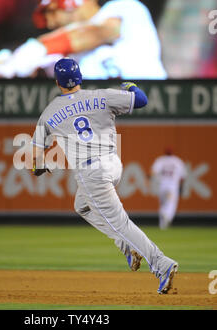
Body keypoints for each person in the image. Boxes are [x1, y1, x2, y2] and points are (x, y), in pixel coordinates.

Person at [31, 57, 178, 294]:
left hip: (92, 173)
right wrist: (130, 87)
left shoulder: (50, 112)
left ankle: (162, 264)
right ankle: (128, 248)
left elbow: (34, 158)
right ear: (79, 77)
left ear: (58, 83)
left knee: (120, 223)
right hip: (113, 163)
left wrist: (39, 166)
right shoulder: (101, 95)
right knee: (82, 205)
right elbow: (141, 100)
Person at [0, 0, 167, 80]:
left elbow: (96, 33)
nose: (50, 21)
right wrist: (14, 62)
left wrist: (38, 49)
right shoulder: (56, 51)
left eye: (51, 10)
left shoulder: (127, 8)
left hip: (152, 109)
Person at [150, 148, 187, 230]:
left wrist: (156, 180)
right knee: (171, 204)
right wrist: (181, 186)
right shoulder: (177, 161)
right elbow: (183, 176)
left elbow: (153, 173)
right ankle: (166, 215)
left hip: (162, 185)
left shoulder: (160, 160)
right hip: (172, 186)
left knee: (163, 204)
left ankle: (162, 226)